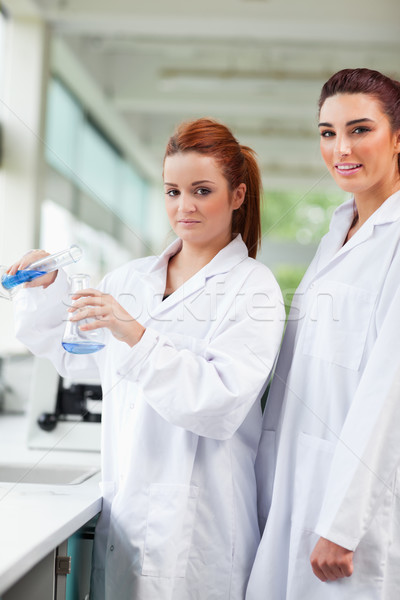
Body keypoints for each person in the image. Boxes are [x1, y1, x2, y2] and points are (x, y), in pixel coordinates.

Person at [10, 118, 285, 600]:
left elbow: (217, 404)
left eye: (202, 190)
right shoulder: (129, 280)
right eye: (172, 191)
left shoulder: (253, 288)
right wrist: (47, 287)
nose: (185, 206)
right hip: (129, 512)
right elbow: (78, 360)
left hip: (202, 528)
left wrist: (135, 334)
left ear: (238, 196)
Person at [246, 68, 400, 600]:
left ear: (398, 137)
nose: (340, 148)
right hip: (296, 484)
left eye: (360, 129)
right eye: (327, 132)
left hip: (351, 518)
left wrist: (342, 522)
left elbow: (389, 392)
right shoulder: (337, 231)